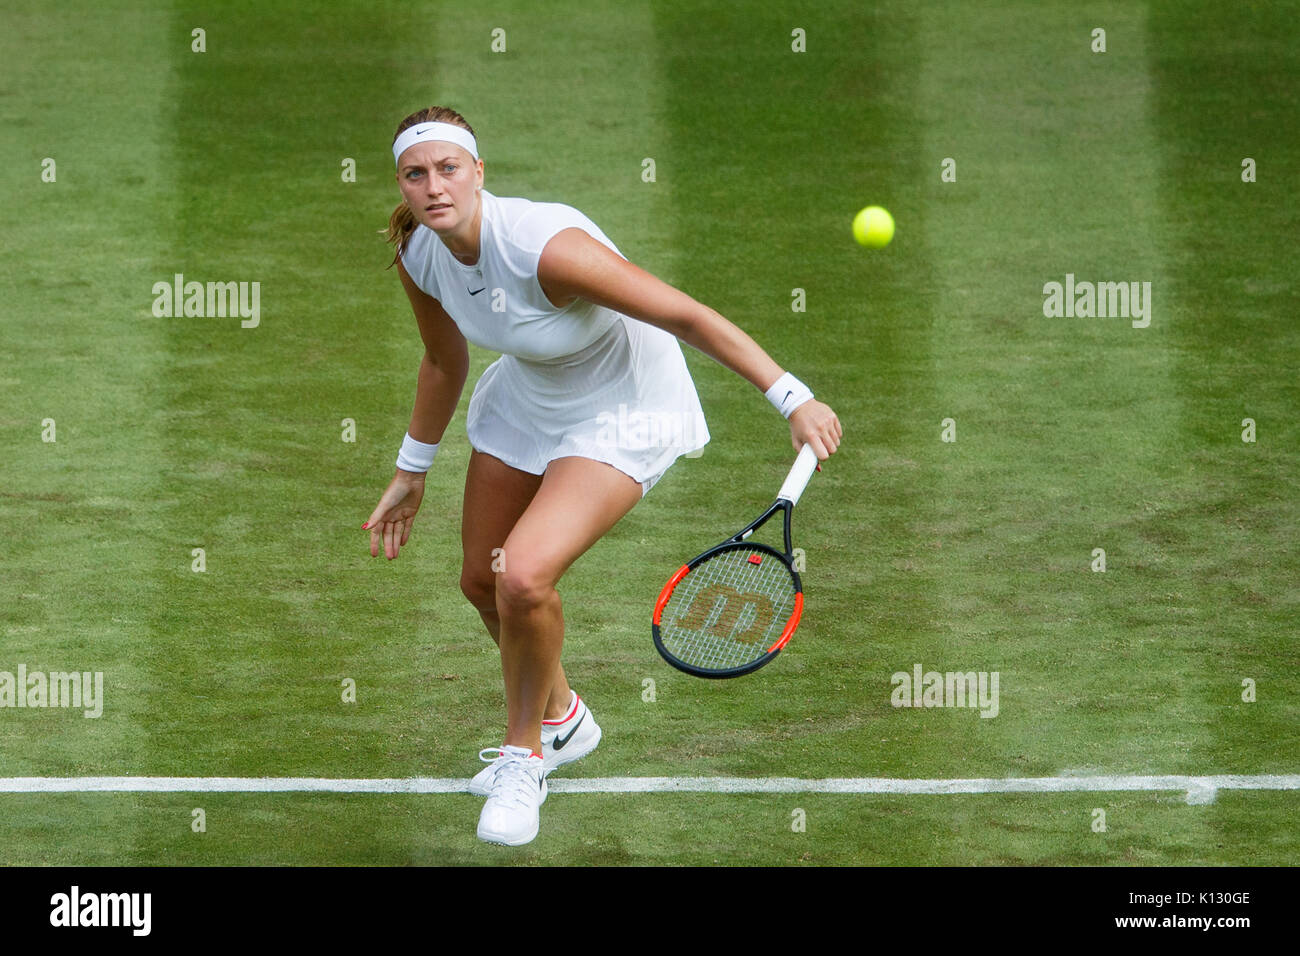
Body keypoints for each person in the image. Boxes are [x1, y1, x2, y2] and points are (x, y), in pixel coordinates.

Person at [363, 106, 842, 846]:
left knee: (523, 575)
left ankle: (525, 756)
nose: (433, 187)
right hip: (533, 396)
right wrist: (411, 467)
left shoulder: (546, 250)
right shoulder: (418, 253)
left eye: (448, 168)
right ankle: (563, 720)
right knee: (481, 582)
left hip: (624, 404)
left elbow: (685, 315)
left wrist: (792, 395)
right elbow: (443, 359)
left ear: (479, 172)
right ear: (402, 181)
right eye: (416, 173)